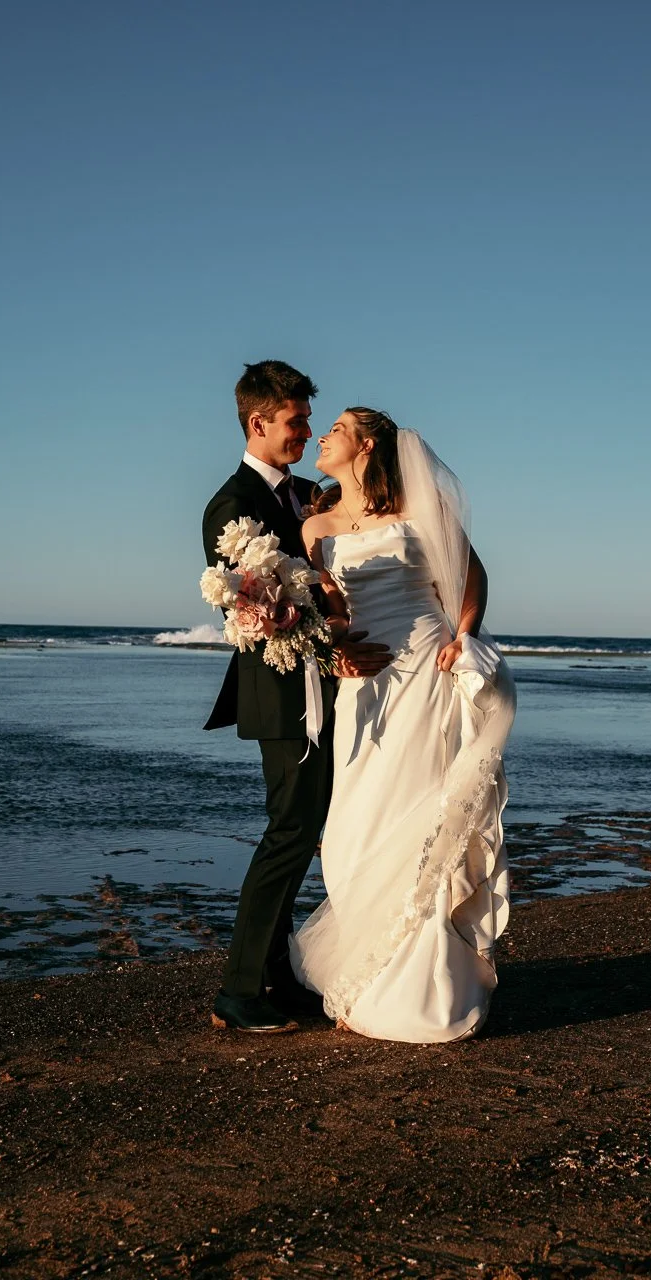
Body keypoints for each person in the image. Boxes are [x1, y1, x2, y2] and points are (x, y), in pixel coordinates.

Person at [289, 408, 516, 1042]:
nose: (324, 436)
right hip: (363, 687)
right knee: (354, 827)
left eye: (336, 428)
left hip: (423, 671)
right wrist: (331, 644)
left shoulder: (422, 511)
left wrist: (463, 638)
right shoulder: (315, 528)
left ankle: (421, 988)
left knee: (419, 815)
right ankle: (367, 972)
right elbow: (330, 612)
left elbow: (473, 579)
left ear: (366, 445)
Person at [201, 361, 391, 1034]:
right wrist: (332, 650)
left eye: (311, 420)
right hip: (284, 695)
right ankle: (238, 990)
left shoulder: (311, 495)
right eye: (296, 421)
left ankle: (276, 978)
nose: (307, 432)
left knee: (303, 831)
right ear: (259, 422)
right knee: (289, 833)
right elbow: (257, 611)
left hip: (326, 690)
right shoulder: (231, 507)